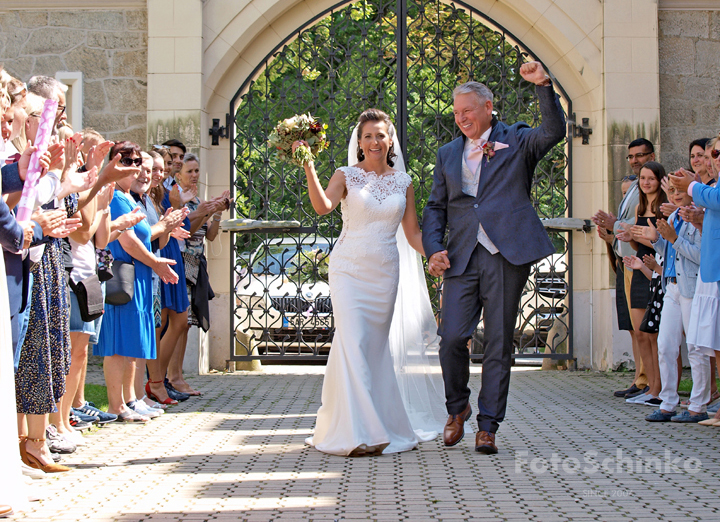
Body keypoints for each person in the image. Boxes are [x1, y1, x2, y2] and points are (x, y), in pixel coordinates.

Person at [422, 62, 565, 455]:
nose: (461, 118)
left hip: (505, 254)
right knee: (451, 337)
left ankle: (488, 426)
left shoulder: (516, 140)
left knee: (499, 342)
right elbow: (436, 207)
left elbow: (553, 131)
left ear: (488, 107)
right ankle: (458, 409)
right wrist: (434, 248)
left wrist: (543, 86)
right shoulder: (448, 153)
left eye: (467, 110)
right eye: (455, 112)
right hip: (461, 255)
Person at [296, 108, 445, 456]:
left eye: (380, 135)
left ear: (390, 139)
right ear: (359, 142)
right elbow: (322, 206)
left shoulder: (403, 183)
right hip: (348, 269)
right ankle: (363, 433)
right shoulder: (346, 175)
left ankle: (366, 423)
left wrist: (434, 255)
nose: (374, 141)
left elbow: (413, 234)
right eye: (367, 136)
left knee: (372, 351)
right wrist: (308, 166)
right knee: (354, 341)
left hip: (384, 273)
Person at [94, 142, 178, 422]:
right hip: (124, 275)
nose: (138, 170)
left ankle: (130, 398)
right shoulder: (116, 197)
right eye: (129, 163)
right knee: (119, 344)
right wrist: (154, 262)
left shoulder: (132, 198)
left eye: (139, 163)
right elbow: (128, 241)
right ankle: (117, 404)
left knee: (133, 343)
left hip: (140, 277)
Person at [594, 138, 656, 399]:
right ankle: (641, 379)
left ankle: (652, 384)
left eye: (640, 155)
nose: (634, 160)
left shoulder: (650, 187)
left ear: (651, 155)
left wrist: (615, 223)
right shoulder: (632, 187)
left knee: (646, 329)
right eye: (631, 156)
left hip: (643, 262)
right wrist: (612, 231)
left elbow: (642, 225)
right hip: (627, 260)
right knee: (635, 328)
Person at [617, 161, 667, 405]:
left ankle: (660, 387)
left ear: (659, 181)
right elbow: (639, 244)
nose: (646, 183)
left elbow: (664, 243)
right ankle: (649, 386)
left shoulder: (664, 207)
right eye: (643, 179)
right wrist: (631, 238)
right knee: (640, 332)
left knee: (655, 334)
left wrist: (644, 238)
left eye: (651, 179)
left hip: (656, 268)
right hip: (639, 266)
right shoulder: (640, 206)